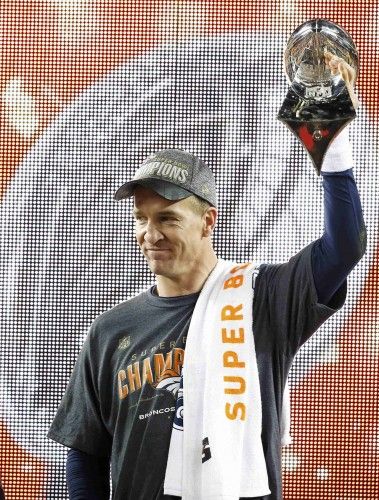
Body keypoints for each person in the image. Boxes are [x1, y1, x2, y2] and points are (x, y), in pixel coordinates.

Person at [47, 54, 366, 499]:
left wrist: (331, 132)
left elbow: (344, 246)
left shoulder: (263, 298)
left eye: (167, 218)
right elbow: (84, 460)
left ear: (207, 221)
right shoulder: (109, 331)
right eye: (141, 217)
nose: (149, 233)